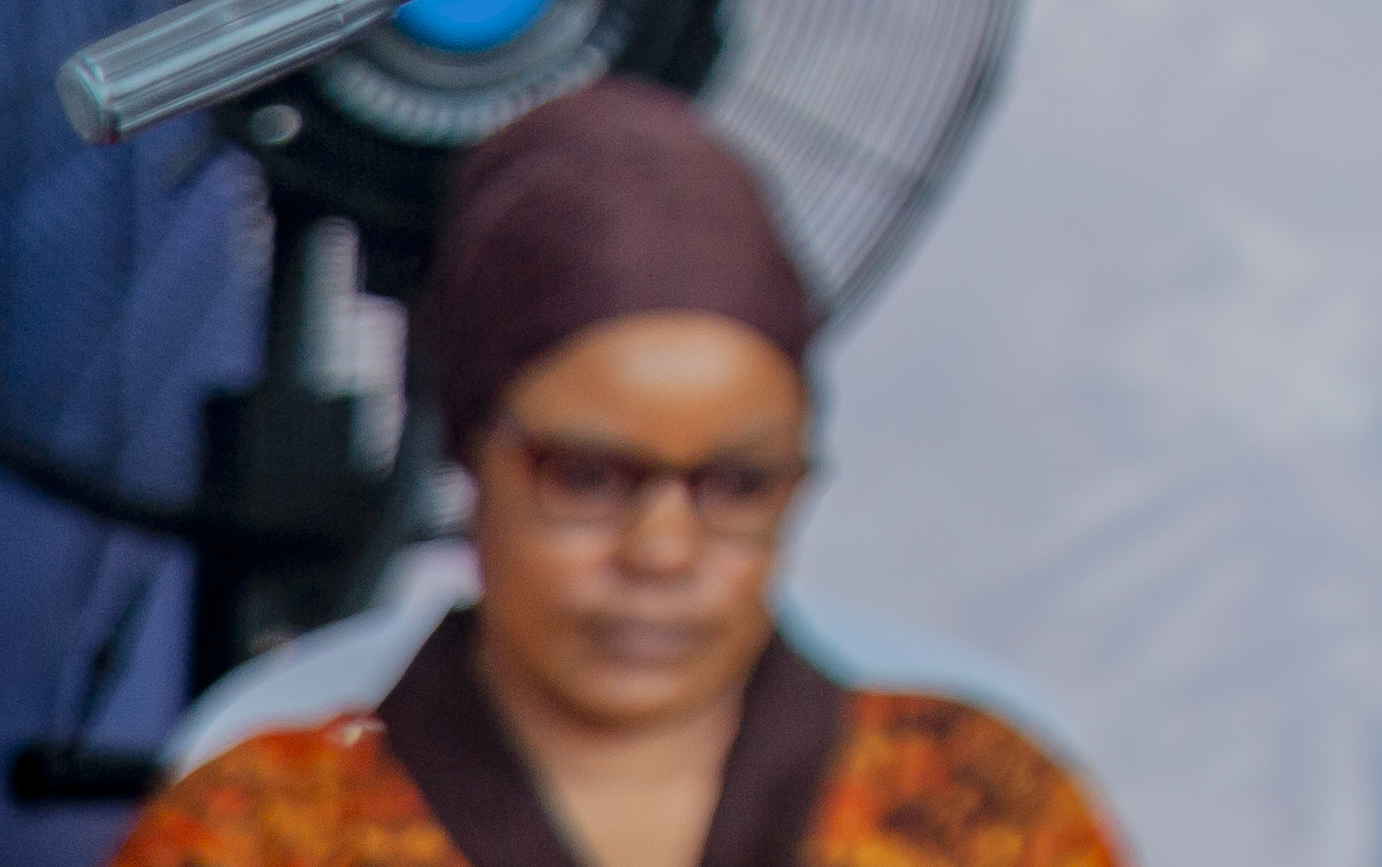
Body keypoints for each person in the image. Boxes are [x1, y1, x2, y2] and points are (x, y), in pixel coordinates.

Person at [109, 83, 1123, 867]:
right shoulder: (262, 832)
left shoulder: (985, 813)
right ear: (470, 458)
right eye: (589, 480)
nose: (662, 551)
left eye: (738, 487)